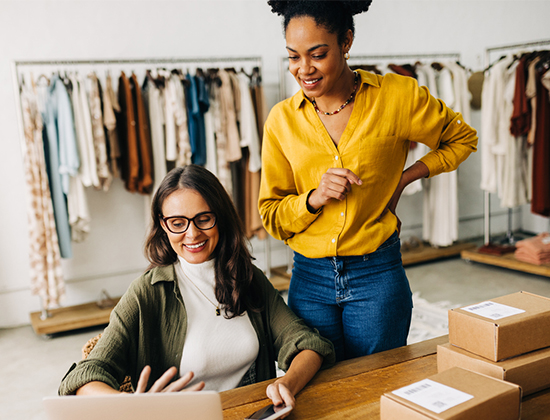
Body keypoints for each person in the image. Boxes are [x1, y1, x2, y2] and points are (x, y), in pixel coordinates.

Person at [259, 0, 478, 362]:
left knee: (376, 385)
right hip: (309, 279)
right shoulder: (281, 121)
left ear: (346, 41)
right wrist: (313, 198)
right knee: (319, 393)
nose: (304, 69)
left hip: (376, 274)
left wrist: (405, 178)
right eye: (293, 57)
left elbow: (462, 138)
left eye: (317, 54)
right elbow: (272, 216)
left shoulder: (397, 97)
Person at [59, 165, 335, 412]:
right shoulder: (148, 293)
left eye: (203, 219)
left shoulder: (248, 278)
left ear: (221, 218)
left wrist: (288, 382)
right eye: (177, 223)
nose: (192, 234)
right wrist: (131, 406)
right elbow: (85, 375)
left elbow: (306, 344)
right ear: (163, 225)